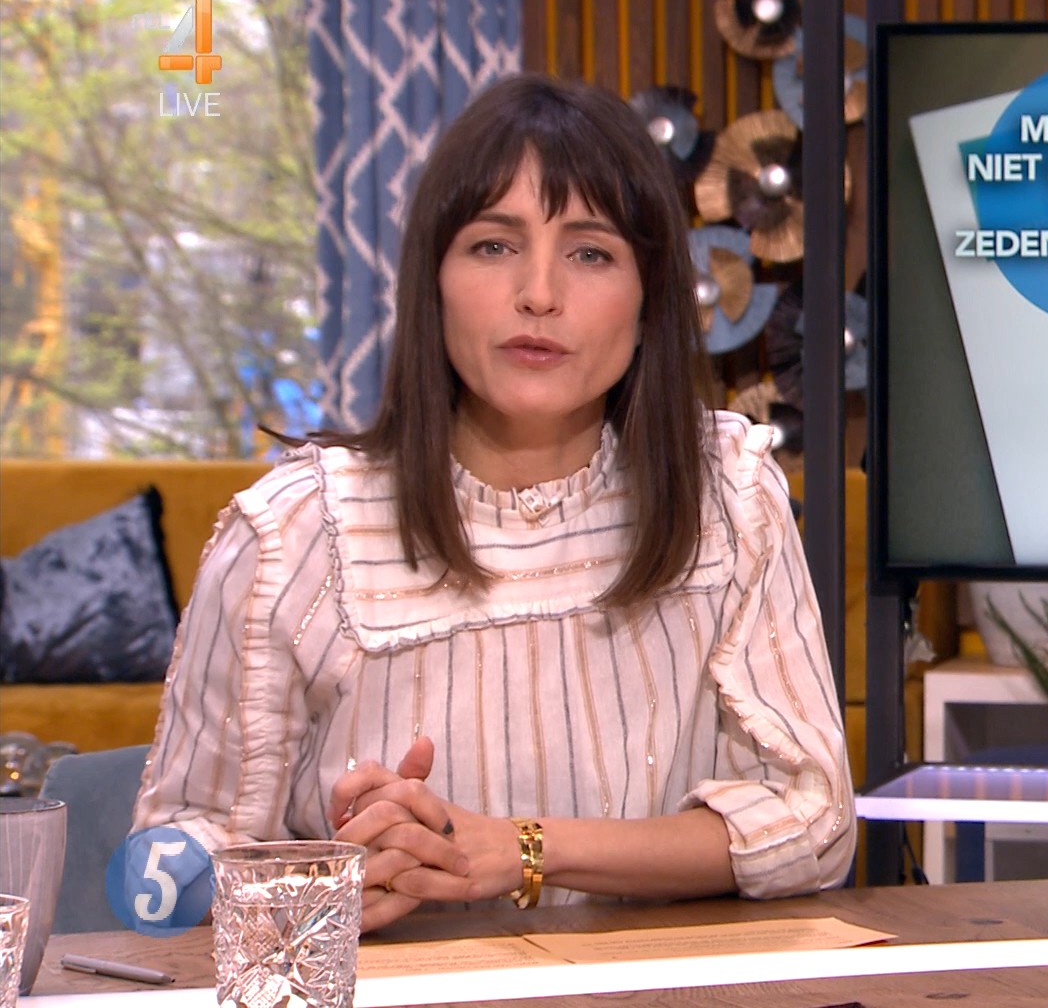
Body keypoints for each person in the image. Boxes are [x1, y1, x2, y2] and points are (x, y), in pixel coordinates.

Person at [131, 74, 854, 931]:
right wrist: (331, 882)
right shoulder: (291, 534)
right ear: (431, 282)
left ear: (650, 300)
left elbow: (813, 820)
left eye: (590, 253)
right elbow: (175, 865)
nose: (538, 293)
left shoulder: (729, 494)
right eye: (493, 245)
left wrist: (522, 849)